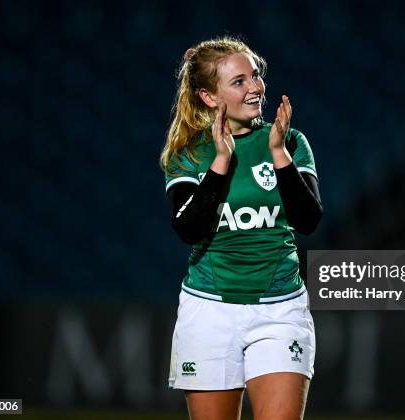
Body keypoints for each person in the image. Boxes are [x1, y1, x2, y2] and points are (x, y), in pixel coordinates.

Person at [160, 36, 323, 420]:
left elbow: (308, 221)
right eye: (239, 81)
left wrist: (279, 153)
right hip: (210, 310)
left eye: (255, 75)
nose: (255, 87)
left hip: (279, 309)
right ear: (209, 97)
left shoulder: (291, 142)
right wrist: (220, 163)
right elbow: (188, 229)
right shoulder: (189, 153)